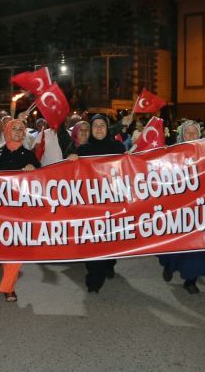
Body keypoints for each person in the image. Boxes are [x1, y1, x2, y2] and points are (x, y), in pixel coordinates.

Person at [0, 120, 41, 302]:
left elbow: (42, 181)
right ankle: (8, 281)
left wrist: (34, 171)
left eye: (20, 129)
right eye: (14, 128)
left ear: (24, 134)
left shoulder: (29, 155)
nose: (17, 132)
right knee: (5, 248)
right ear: (7, 131)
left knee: (16, 249)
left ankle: (8, 287)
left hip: (21, 211)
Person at [69, 115, 126, 293]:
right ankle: (94, 279)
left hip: (112, 201)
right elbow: (71, 175)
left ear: (108, 129)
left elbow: (126, 170)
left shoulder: (117, 147)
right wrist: (71, 160)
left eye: (103, 125)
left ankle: (109, 262)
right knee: (92, 241)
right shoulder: (83, 149)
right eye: (96, 126)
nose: (99, 129)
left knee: (110, 239)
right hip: (90, 204)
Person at [158, 120, 205, 294]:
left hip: (199, 209)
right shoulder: (172, 154)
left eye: (194, 132)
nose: (191, 136)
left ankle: (191, 280)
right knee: (174, 244)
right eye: (187, 133)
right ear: (181, 135)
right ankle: (169, 265)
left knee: (198, 247)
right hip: (178, 210)